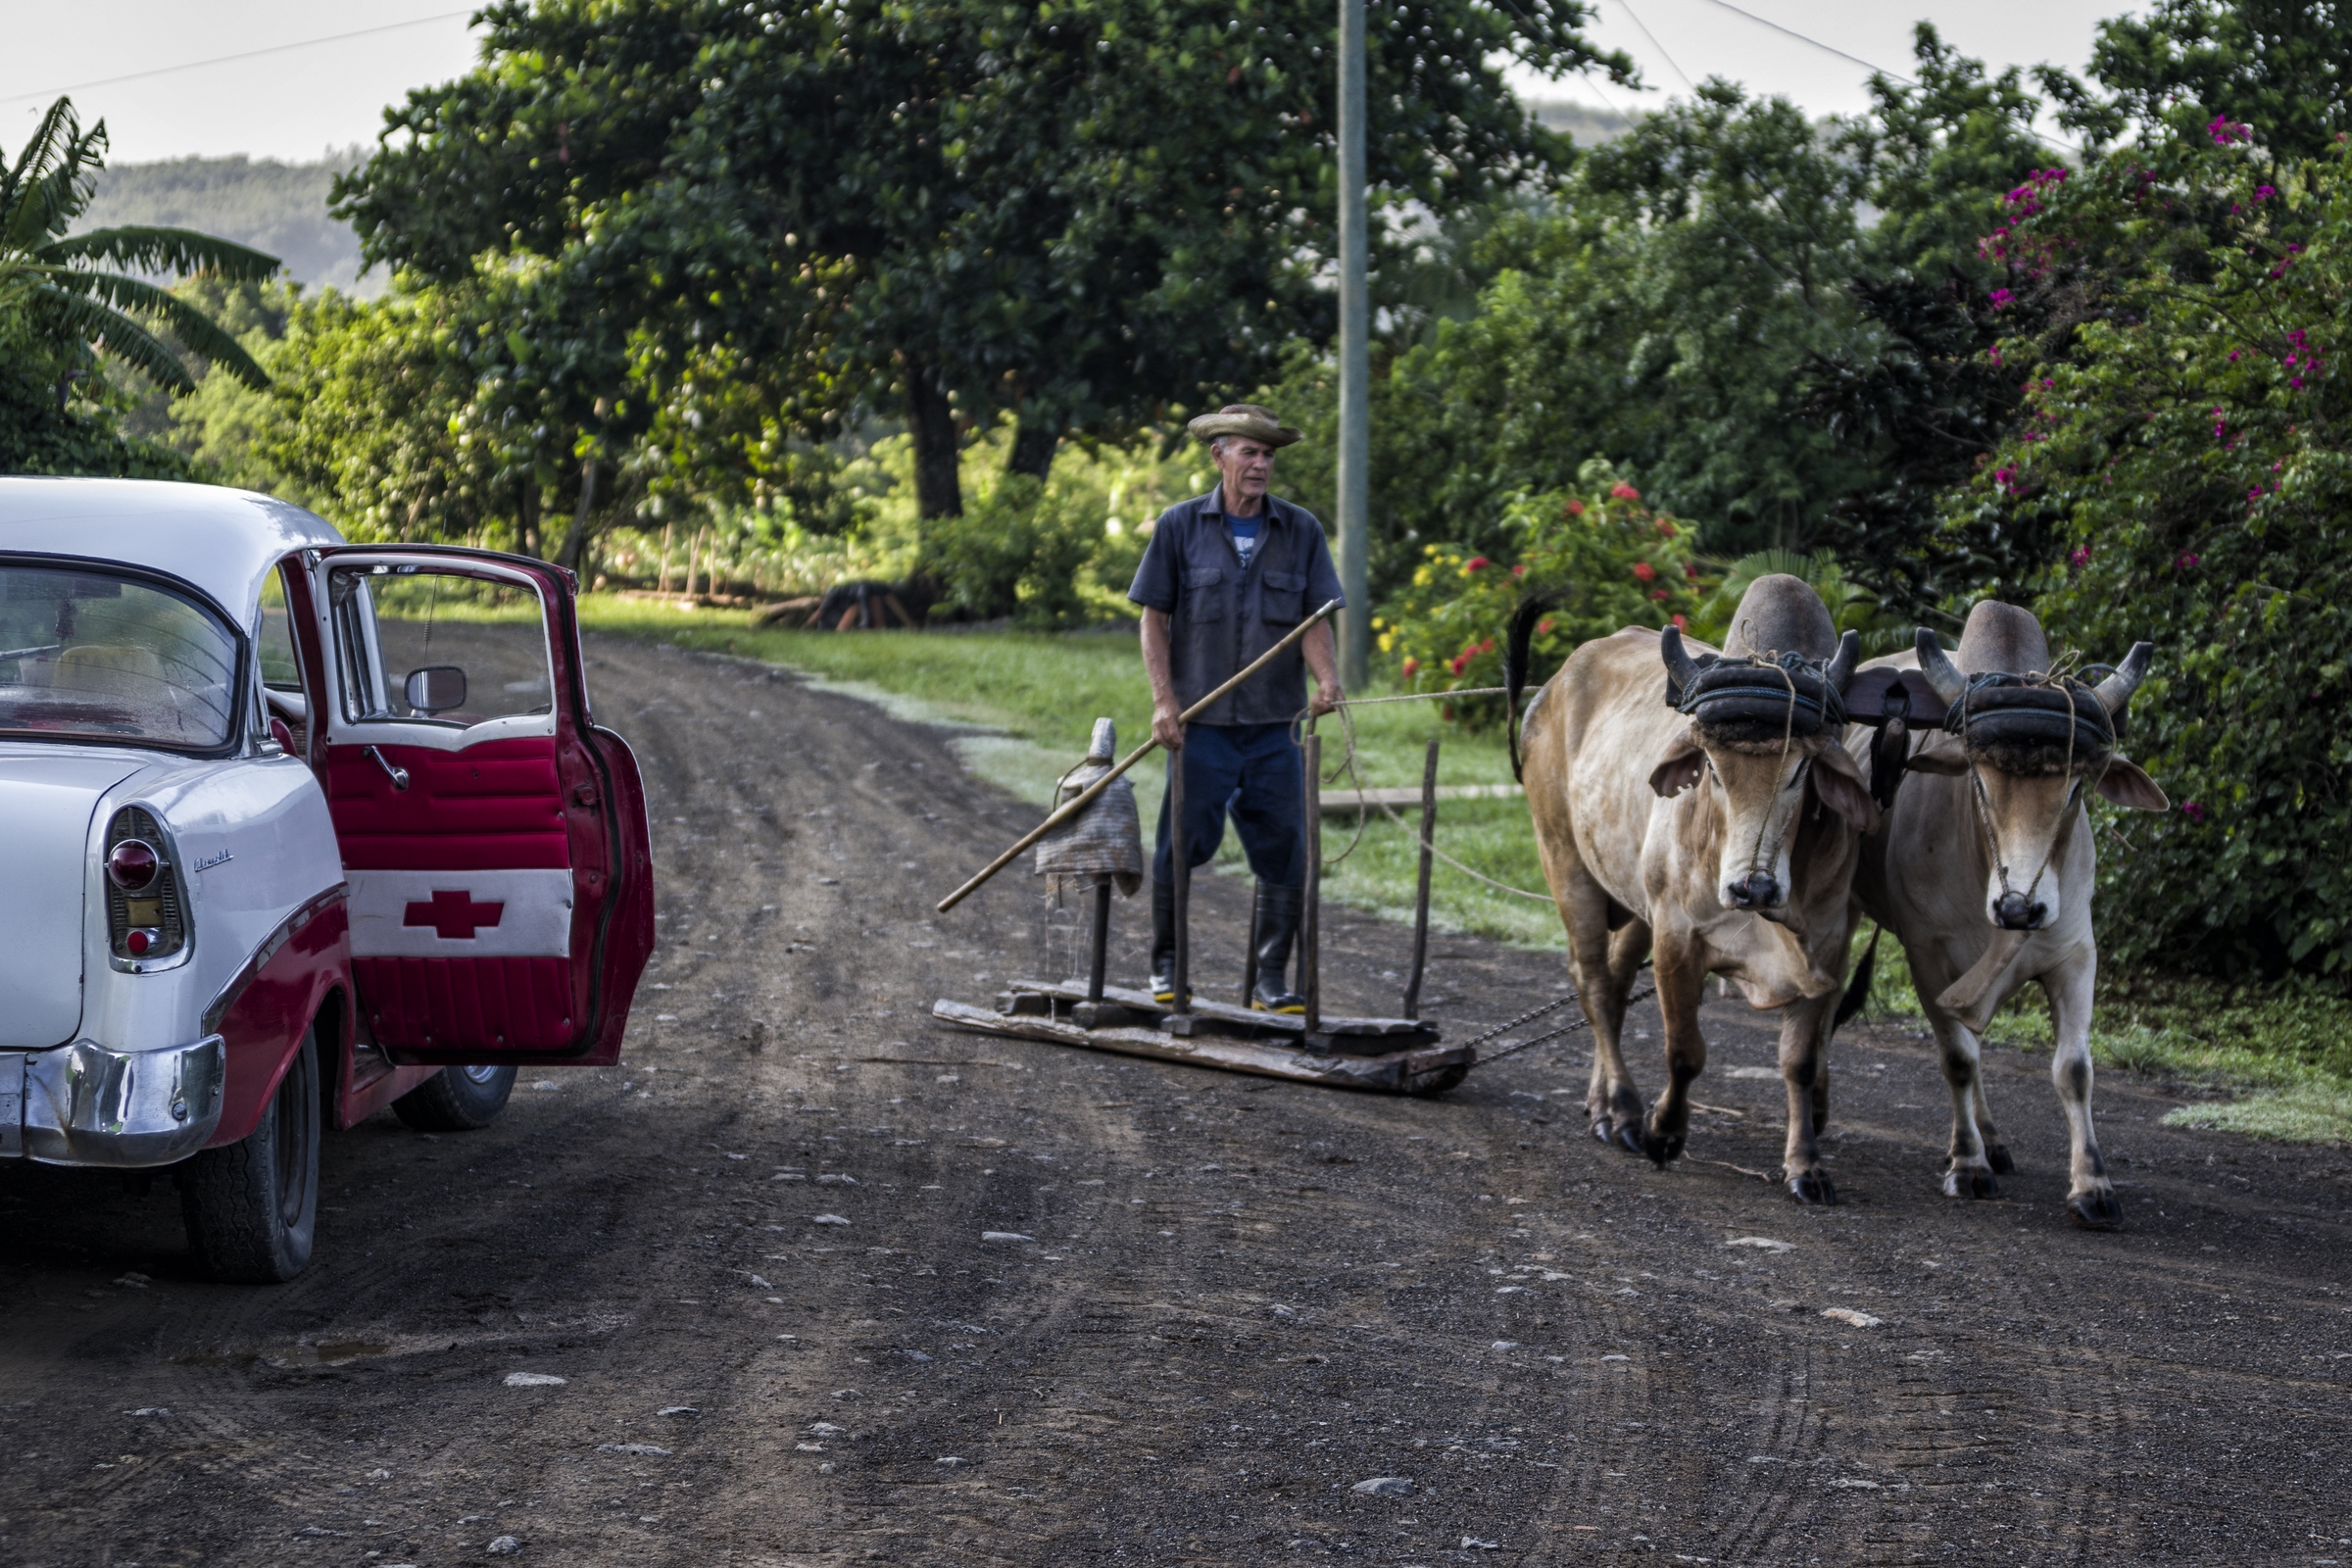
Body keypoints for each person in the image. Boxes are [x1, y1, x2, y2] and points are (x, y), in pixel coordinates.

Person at [1126, 403, 1345, 1010]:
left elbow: (1315, 620)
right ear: (1218, 455)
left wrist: (1327, 680)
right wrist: (1164, 702)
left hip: (1276, 726)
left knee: (1286, 849)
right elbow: (1153, 620)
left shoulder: (1300, 530)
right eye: (1249, 451)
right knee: (1181, 843)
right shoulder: (1179, 526)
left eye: (1268, 454)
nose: (1261, 464)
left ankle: (1269, 981)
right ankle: (1168, 968)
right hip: (1202, 728)